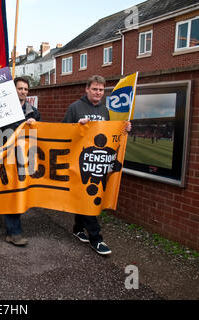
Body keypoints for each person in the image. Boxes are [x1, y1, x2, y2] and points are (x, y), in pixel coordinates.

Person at [63, 75, 131, 256]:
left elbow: (108, 135)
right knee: (88, 198)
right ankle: (96, 239)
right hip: (79, 164)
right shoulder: (75, 107)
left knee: (84, 198)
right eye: (95, 89)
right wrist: (77, 126)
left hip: (98, 164)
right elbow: (62, 132)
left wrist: (124, 130)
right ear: (87, 89)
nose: (98, 92)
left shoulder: (105, 111)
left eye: (101, 90)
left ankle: (78, 228)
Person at [0, 76, 40, 247]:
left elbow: (39, 134)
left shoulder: (33, 112)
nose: (23, 92)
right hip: (1, 155)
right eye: (20, 88)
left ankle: (14, 232)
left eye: (26, 89)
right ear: (13, 90)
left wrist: (35, 124)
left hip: (21, 158)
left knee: (14, 192)